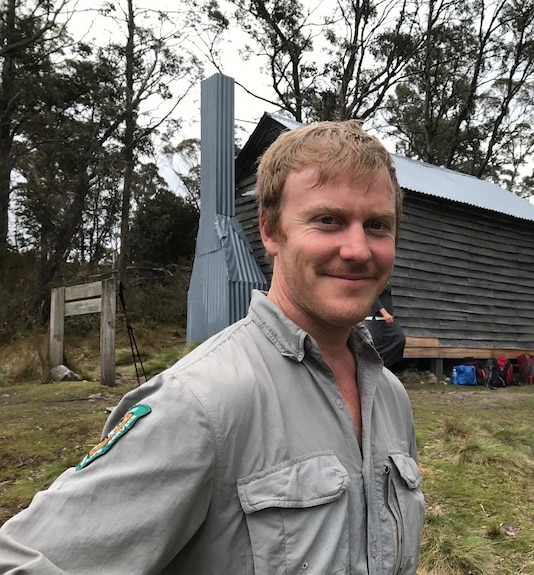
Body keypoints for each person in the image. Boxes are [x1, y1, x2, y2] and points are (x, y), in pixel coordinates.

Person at [0, 121, 426, 574]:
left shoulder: (390, 396)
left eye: (378, 225)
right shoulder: (200, 401)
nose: (358, 249)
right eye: (328, 220)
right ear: (270, 231)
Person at [365, 282, 407, 369]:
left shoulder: (386, 278)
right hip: (375, 317)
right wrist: (384, 313)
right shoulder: (375, 278)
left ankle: (381, 366)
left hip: (387, 317)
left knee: (399, 339)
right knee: (375, 345)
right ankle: (371, 367)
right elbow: (373, 296)